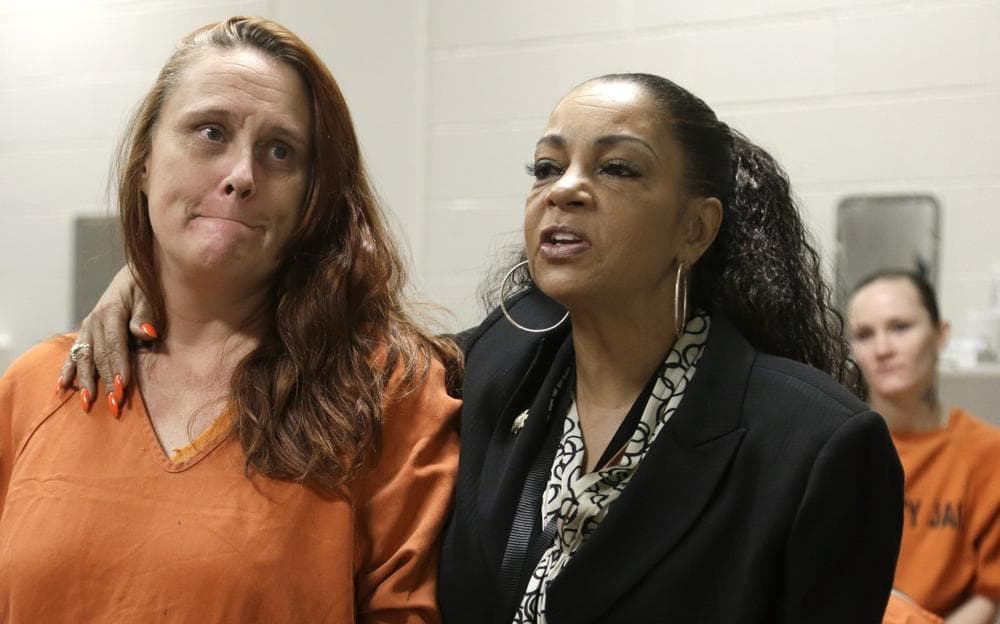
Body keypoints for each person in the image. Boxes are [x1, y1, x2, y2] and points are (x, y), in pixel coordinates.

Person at [66, 73, 904, 622]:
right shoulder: (493, 366)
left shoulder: (815, 447)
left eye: (617, 169)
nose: (566, 190)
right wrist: (161, 278)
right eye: (546, 168)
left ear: (696, 227)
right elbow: (325, 343)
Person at [0, 16, 460, 623]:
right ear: (144, 163)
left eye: (280, 151)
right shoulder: (37, 386)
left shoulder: (385, 392)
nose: (242, 175)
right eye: (210, 132)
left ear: (312, 196)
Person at [848, 270, 1000, 624]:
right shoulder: (836, 448)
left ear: (940, 334)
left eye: (900, 327)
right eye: (864, 334)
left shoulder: (987, 452)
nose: (883, 349)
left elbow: (989, 592)